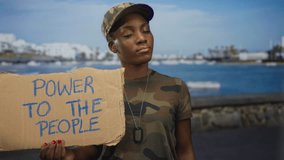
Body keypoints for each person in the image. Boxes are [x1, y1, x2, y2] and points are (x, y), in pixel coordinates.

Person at [40, 2, 196, 160]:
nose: (142, 38)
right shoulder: (99, 91)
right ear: (113, 46)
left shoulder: (176, 88)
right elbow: (91, 150)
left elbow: (185, 150)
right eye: (128, 34)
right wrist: (68, 155)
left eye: (146, 30)